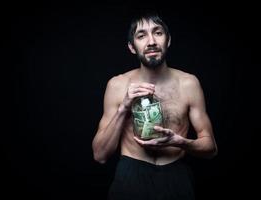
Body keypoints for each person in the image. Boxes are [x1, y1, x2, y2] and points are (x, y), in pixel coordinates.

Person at [92, 11, 218, 200]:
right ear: (132, 47)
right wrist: (123, 108)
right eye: (141, 36)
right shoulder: (117, 85)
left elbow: (211, 149)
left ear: (168, 41)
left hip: (176, 176)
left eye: (158, 33)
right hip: (130, 175)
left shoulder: (189, 83)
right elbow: (100, 155)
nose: (151, 41)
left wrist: (179, 141)